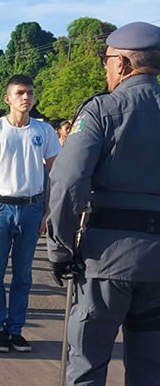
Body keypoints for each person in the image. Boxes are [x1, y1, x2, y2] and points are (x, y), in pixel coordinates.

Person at [47, 21, 160, 385]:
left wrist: (61, 249)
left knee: (87, 366)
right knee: (150, 370)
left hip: (106, 261)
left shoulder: (102, 110)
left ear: (123, 64)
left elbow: (67, 184)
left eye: (108, 60)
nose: (106, 68)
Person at [0, 75, 60, 353]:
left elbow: (53, 174)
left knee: (23, 274)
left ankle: (16, 329)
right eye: (20, 93)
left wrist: (48, 211)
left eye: (30, 93)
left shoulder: (44, 131)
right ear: (8, 98)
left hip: (32, 208)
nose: (26, 98)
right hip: (0, 208)